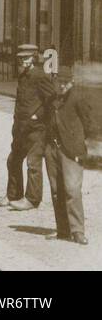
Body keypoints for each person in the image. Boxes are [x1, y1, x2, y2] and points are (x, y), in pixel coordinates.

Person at [0, 44, 57, 211]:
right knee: (13, 160)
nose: (23, 60)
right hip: (21, 127)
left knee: (33, 164)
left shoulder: (40, 75)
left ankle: (32, 199)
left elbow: (52, 99)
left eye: (26, 57)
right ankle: (13, 195)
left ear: (34, 58)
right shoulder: (23, 75)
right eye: (21, 57)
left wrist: (38, 115)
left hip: (36, 128)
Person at [43, 64, 98, 245]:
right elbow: (46, 121)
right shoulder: (51, 99)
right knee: (56, 190)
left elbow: (90, 123)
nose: (62, 86)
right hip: (52, 149)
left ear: (72, 82)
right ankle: (63, 230)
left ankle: (77, 231)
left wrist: (85, 147)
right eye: (59, 82)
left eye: (66, 83)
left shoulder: (78, 98)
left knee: (72, 190)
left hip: (72, 151)